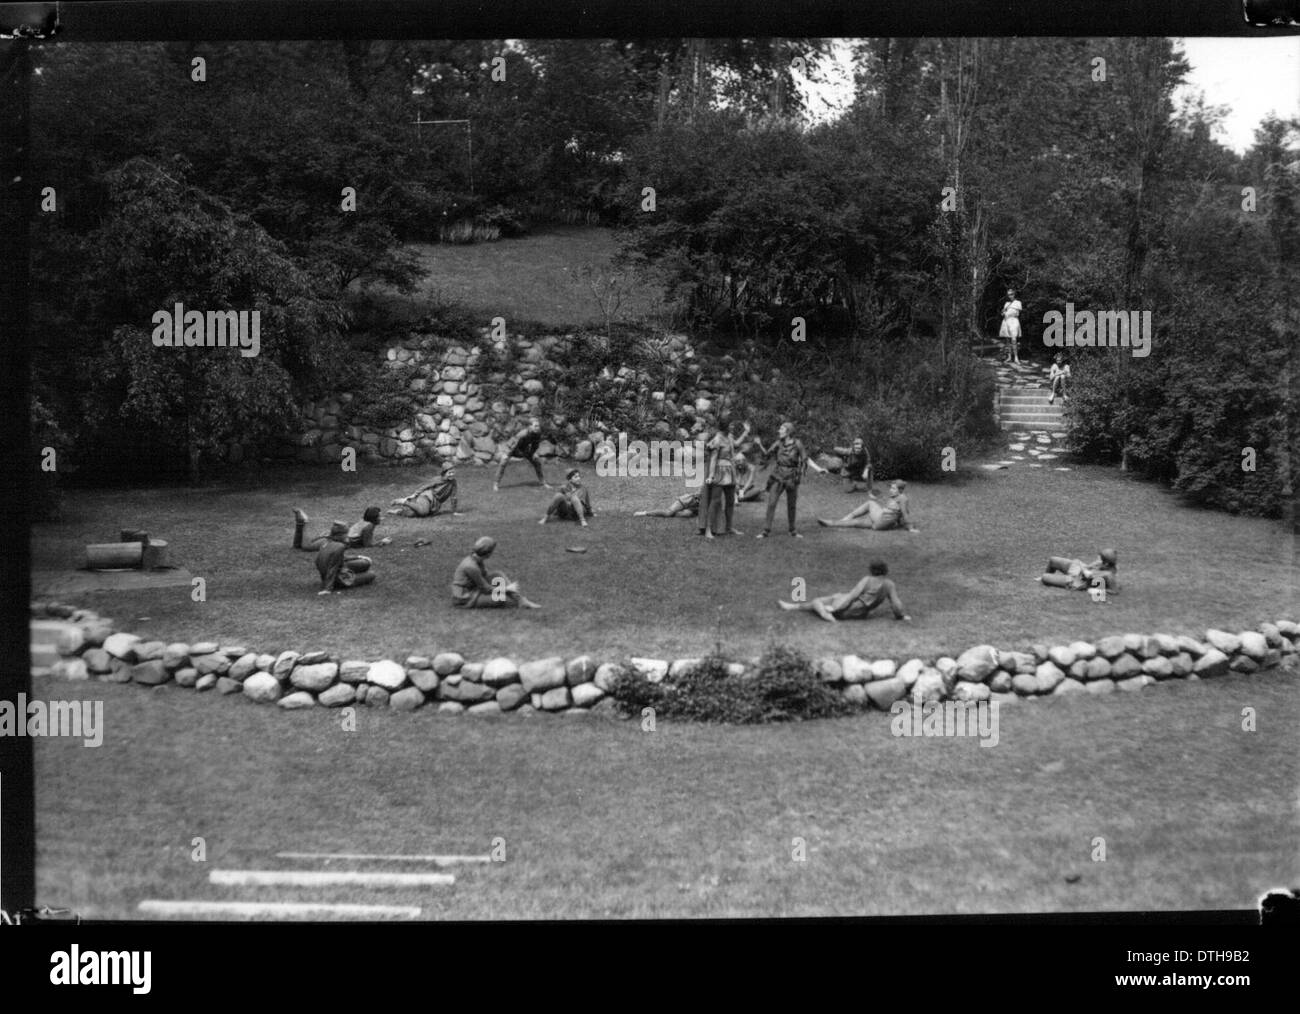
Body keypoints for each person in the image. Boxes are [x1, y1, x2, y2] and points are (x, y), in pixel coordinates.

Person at [778, 560, 911, 622]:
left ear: (872, 570)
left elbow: (852, 596)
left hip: (845, 611)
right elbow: (896, 604)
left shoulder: (867, 580)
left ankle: (824, 615)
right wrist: (901, 616)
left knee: (817, 601)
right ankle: (794, 606)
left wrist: (835, 609)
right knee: (836, 595)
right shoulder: (889, 584)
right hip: (861, 614)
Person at [451, 535, 541, 608]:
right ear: (488, 554)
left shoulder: (475, 557)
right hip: (465, 597)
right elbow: (485, 589)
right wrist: (507, 589)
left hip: (474, 587)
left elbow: (485, 575)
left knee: (498, 574)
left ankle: (521, 600)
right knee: (499, 599)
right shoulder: (471, 567)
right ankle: (519, 601)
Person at [754, 421, 809, 539]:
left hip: (792, 477)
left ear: (788, 431)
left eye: (782, 429)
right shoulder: (778, 443)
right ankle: (766, 531)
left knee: (791, 505)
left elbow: (805, 459)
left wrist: (813, 470)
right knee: (771, 503)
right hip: (778, 476)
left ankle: (792, 530)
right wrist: (759, 445)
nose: (779, 431)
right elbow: (767, 455)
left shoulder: (797, 443)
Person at [703, 418, 751, 538]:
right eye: (731, 425)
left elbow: (736, 444)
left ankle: (729, 527)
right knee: (715, 500)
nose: (732, 427)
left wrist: (745, 432)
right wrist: (710, 476)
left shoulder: (729, 436)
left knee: (730, 501)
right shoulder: (718, 439)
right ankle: (708, 529)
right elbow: (714, 458)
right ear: (725, 427)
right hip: (719, 471)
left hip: (730, 471)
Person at [817, 480, 917, 531]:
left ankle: (842, 520)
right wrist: (897, 524)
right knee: (855, 522)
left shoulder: (903, 498)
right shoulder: (894, 497)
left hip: (880, 523)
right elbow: (898, 514)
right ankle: (830, 523)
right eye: (891, 488)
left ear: (900, 490)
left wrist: (911, 528)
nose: (890, 490)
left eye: (893, 488)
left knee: (870, 503)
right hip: (879, 522)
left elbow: (905, 513)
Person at [315, 522, 376, 594]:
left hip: (336, 572)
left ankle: (351, 574)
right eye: (346, 534)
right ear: (340, 535)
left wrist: (358, 557)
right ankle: (338, 582)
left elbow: (320, 561)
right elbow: (332, 568)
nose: (347, 536)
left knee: (366, 563)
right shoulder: (339, 547)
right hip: (339, 579)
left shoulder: (326, 543)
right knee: (372, 574)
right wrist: (328, 589)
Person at [294, 506, 391, 551]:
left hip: (335, 537)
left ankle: (300, 523)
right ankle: (305, 522)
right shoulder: (369, 526)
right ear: (374, 518)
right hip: (335, 541)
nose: (380, 518)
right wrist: (382, 542)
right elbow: (368, 545)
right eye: (379, 516)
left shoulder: (364, 521)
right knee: (306, 546)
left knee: (297, 546)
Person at [494, 417, 551, 491]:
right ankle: (496, 484)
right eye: (535, 426)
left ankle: (543, 483)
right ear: (530, 426)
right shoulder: (523, 434)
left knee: (537, 461)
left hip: (523, 449)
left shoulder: (537, 434)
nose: (537, 428)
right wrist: (506, 454)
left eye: (538, 426)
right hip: (512, 449)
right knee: (503, 462)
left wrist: (532, 453)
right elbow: (513, 444)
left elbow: (535, 445)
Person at [389, 462, 462, 517]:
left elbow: (453, 497)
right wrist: (414, 495)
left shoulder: (453, 483)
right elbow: (424, 486)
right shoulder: (437, 479)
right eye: (449, 473)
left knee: (414, 514)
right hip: (426, 497)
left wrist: (454, 511)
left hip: (436, 503)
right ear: (444, 473)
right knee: (424, 512)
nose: (452, 474)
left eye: (453, 472)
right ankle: (403, 502)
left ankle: (397, 512)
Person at [1040, 548, 1118, 591]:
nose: (1098, 558)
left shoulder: (1107, 573)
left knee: (1045, 577)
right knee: (1053, 560)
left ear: (1106, 563)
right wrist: (1084, 565)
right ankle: (1044, 576)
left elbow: (1087, 575)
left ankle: (1044, 577)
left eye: (1100, 558)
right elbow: (1088, 567)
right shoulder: (1101, 564)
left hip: (1076, 581)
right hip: (1078, 570)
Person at [634, 491, 702, 518]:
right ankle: (644, 513)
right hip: (685, 501)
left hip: (694, 507)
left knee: (686, 515)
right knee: (668, 513)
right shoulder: (706, 487)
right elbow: (698, 494)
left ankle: (658, 514)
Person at [1000, 287, 1023, 365]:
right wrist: (1003, 312)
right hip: (1006, 321)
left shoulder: (1018, 302)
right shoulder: (1006, 303)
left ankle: (1016, 357)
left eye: (1011, 294)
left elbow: (1018, 311)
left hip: (1014, 321)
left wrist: (1009, 310)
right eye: (1009, 295)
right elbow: (1003, 313)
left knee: (1014, 339)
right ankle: (1009, 357)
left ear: (1014, 294)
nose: (1010, 296)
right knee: (1007, 340)